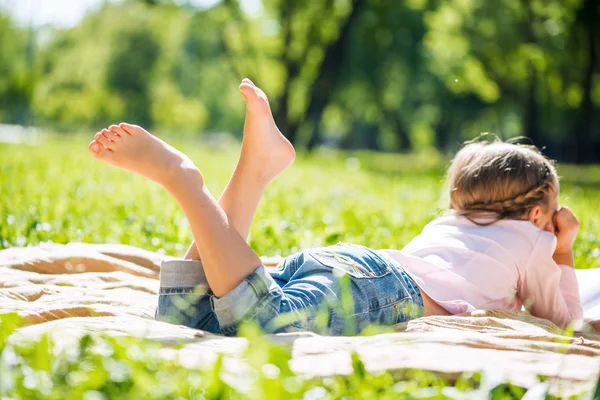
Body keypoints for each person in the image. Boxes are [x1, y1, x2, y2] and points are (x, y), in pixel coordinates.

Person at [88, 79, 582, 336]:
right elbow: (565, 325)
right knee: (259, 323)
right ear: (538, 213)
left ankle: (255, 171)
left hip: (353, 265)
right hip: (386, 290)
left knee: (191, 318)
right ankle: (185, 181)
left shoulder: (448, 223)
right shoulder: (536, 238)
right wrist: (563, 250)